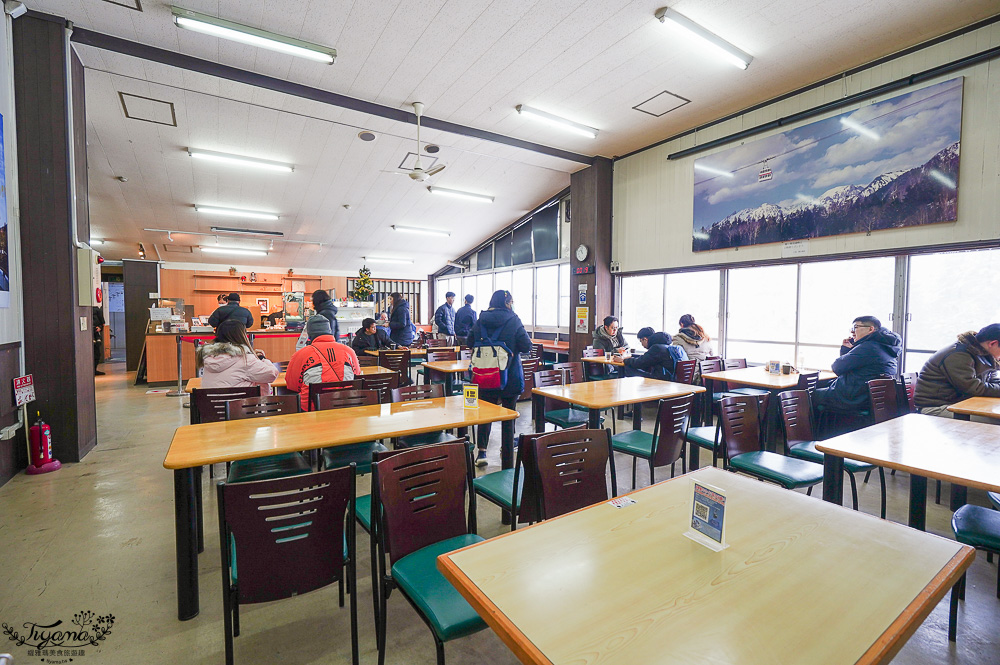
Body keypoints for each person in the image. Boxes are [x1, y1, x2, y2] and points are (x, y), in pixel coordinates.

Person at [469, 289, 532, 468]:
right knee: (508, 413)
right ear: (507, 303)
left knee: (485, 414)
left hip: (485, 375)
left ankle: (481, 452)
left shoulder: (481, 320)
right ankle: (506, 451)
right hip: (509, 376)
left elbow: (469, 342)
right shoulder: (514, 320)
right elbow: (526, 346)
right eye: (511, 301)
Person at [812, 315, 902, 413]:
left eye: (856, 327)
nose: (852, 331)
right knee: (823, 387)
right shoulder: (885, 347)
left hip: (852, 398)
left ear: (870, 329)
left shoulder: (867, 347)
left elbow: (837, 367)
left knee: (809, 396)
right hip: (870, 398)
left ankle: (813, 428)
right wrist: (849, 350)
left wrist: (850, 350)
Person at [914, 324, 1000, 417]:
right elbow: (973, 389)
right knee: (994, 420)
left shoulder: (984, 354)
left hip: (959, 404)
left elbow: (992, 381)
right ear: (993, 344)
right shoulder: (959, 354)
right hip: (936, 408)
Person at [285, 315, 361, 411]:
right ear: (330, 331)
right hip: (345, 406)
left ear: (309, 334)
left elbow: (292, 385)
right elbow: (356, 377)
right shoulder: (349, 351)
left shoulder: (301, 354)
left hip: (311, 410)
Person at [197, 319, 278, 395]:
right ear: (242, 336)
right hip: (239, 408)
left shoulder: (209, 357)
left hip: (211, 407)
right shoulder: (245, 359)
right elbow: (271, 375)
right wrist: (262, 359)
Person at [617, 327, 688, 380]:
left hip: (662, 381)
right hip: (676, 380)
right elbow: (646, 358)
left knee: (628, 367)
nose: (642, 344)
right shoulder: (670, 347)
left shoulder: (657, 348)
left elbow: (639, 363)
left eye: (641, 341)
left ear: (645, 339)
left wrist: (624, 360)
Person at [92, 306, 106, 376]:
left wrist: (100, 327)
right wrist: (100, 327)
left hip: (95, 335)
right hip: (94, 335)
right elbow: (102, 323)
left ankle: (93, 370)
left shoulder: (96, 310)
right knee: (96, 353)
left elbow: (102, 324)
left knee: (96, 353)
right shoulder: (97, 310)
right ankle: (93, 370)